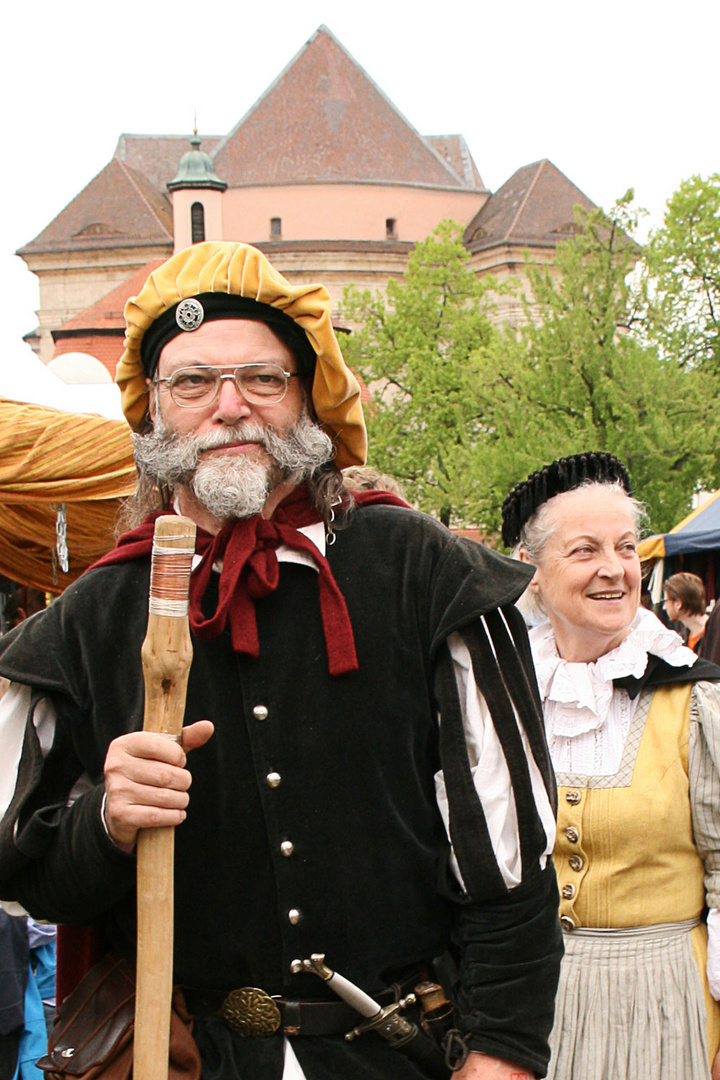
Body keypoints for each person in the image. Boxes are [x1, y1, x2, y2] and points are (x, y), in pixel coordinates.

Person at [0, 242, 562, 1080]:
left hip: (399, 1057)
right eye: (193, 383)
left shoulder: (419, 572)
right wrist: (106, 825)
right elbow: (26, 869)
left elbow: (513, 870)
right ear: (154, 413)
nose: (230, 407)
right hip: (191, 1057)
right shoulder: (90, 619)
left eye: (263, 379)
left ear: (308, 402)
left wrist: (503, 1058)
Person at [501, 451, 720, 1080]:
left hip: (663, 1001)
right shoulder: (502, 693)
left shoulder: (695, 696)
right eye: (584, 551)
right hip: (524, 1009)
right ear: (532, 571)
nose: (614, 570)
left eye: (626, 548)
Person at [663, 571, 710, 652]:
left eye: (666, 601)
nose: (664, 607)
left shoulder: (714, 635)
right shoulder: (683, 637)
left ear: (678, 603)